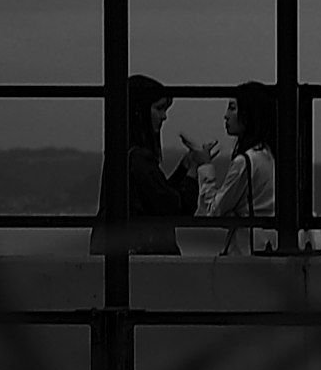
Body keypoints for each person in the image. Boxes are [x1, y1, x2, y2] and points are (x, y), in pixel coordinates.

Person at [90, 74, 206, 256]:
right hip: (145, 260)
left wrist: (184, 168)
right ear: (139, 111)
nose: (164, 116)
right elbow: (175, 207)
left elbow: (159, 196)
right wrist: (193, 171)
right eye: (159, 109)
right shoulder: (138, 159)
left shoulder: (122, 155)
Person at [193, 80, 285, 256]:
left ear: (248, 113)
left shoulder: (245, 161)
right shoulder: (271, 155)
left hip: (246, 251)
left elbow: (213, 212)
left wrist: (205, 167)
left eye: (232, 107)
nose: (226, 115)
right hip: (270, 244)